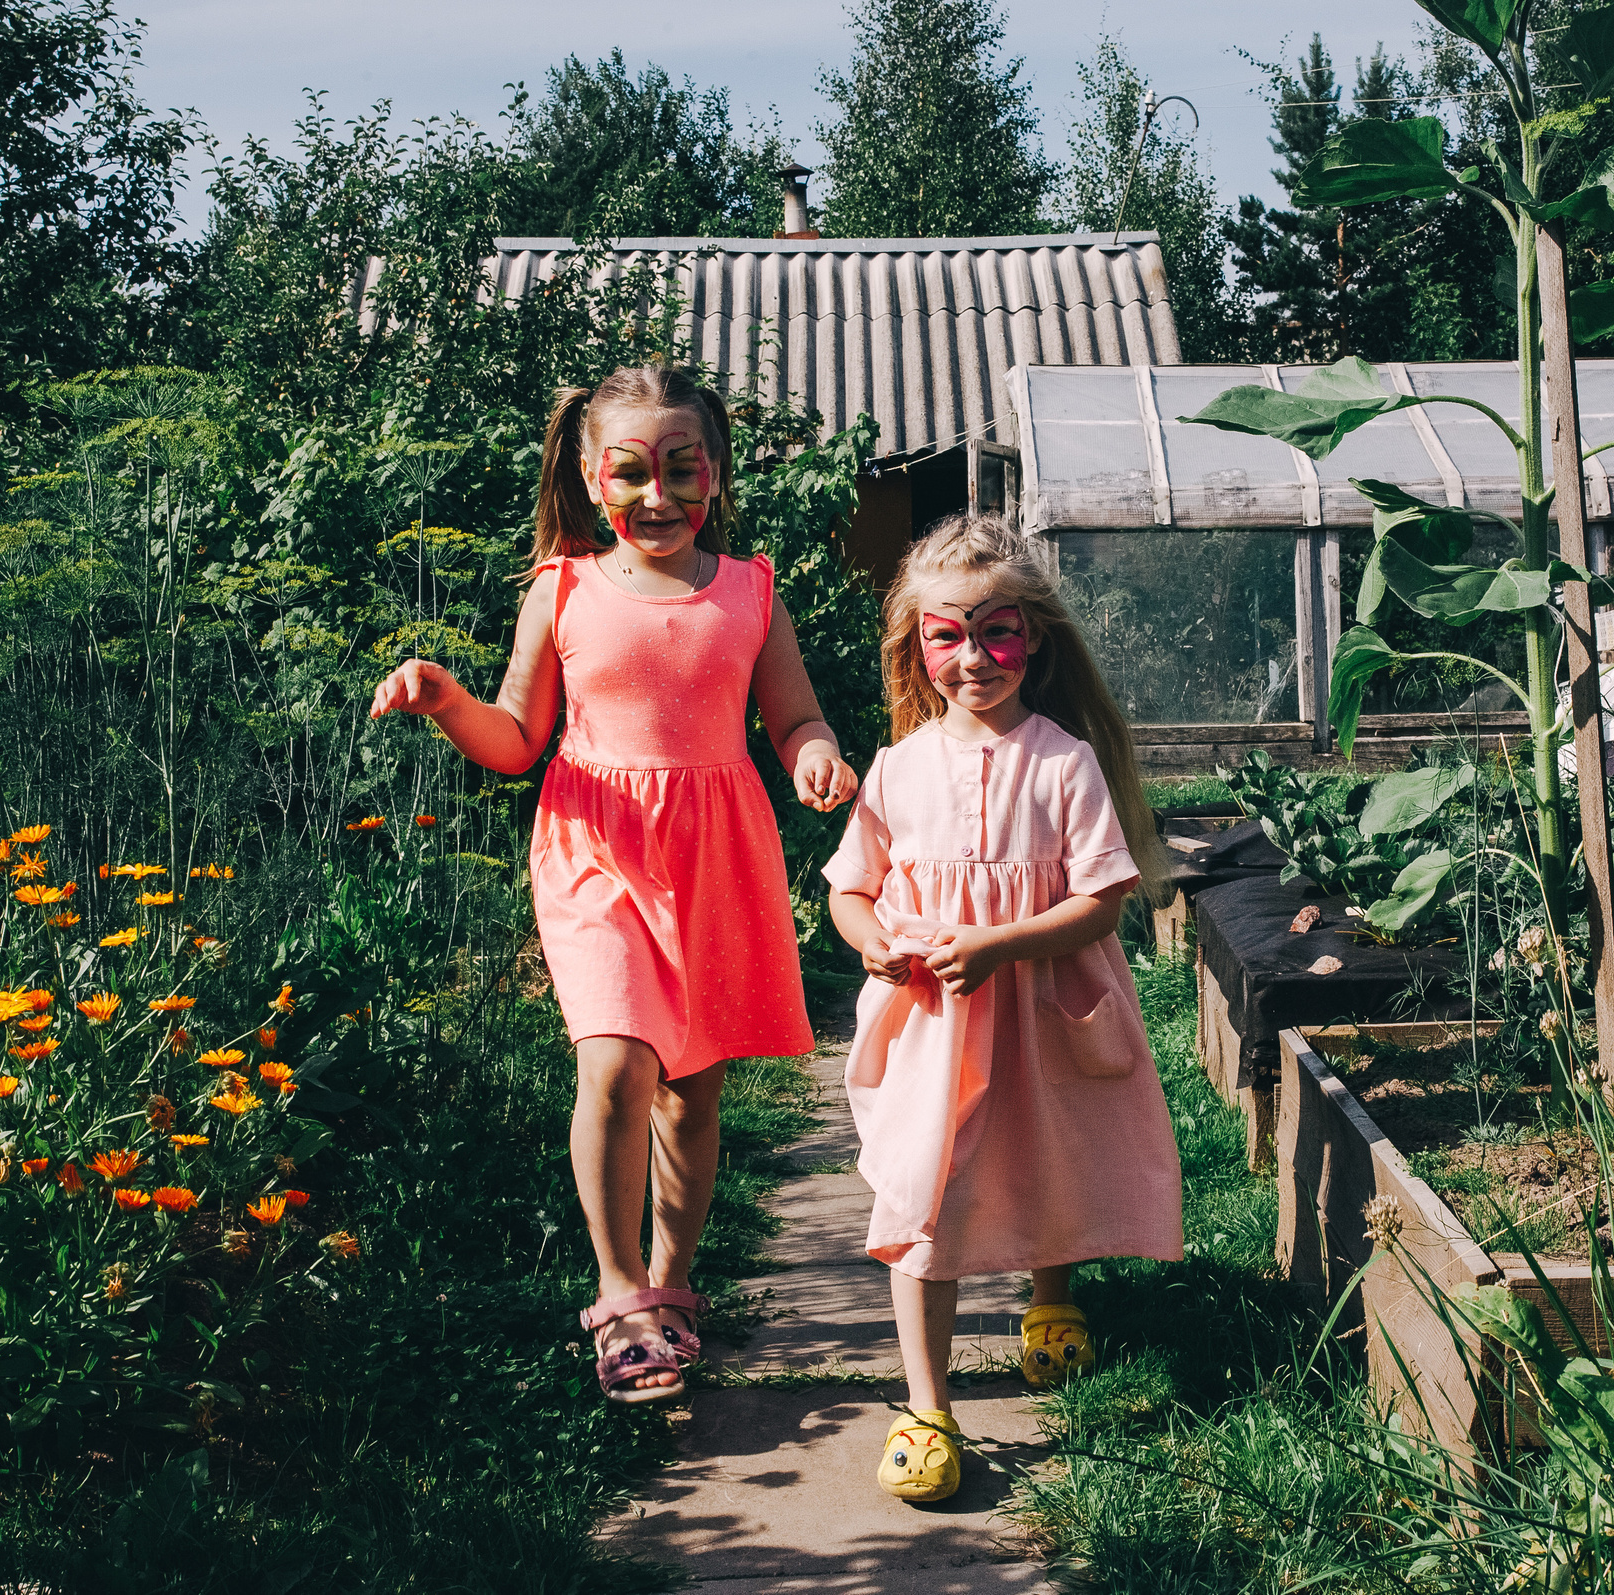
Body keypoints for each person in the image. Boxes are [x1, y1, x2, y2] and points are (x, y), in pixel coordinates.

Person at [370, 364, 856, 1405]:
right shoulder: (561, 588)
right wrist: (448, 700)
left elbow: (793, 718)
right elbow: (515, 741)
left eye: (683, 472)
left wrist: (814, 754)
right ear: (594, 479)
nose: (658, 497)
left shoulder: (753, 592)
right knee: (618, 1062)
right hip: (594, 849)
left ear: (715, 477)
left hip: (718, 855)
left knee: (693, 1089)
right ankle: (619, 1290)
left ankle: (675, 1288)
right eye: (631, 473)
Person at [824, 514, 1181, 1503]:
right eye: (948, 633)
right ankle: (928, 1403)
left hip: (1038, 1003)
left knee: (1046, 1152)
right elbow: (849, 888)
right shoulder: (895, 768)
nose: (974, 655)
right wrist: (872, 942)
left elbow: (1101, 897)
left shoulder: (1062, 760)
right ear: (917, 645)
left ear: (1034, 638)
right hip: (930, 1024)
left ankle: (1049, 1302)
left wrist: (997, 944)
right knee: (919, 1198)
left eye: (998, 631)